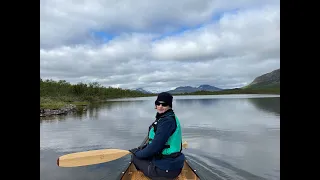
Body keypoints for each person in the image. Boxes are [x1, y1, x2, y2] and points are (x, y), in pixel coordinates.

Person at [129, 92, 185, 179]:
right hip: (171, 165)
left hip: (166, 171)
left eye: (164, 104)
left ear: (169, 106)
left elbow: (155, 146)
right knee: (143, 154)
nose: (160, 106)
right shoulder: (166, 117)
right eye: (158, 103)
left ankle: (148, 174)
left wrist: (137, 153)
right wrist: (143, 149)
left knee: (135, 158)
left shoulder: (167, 122)